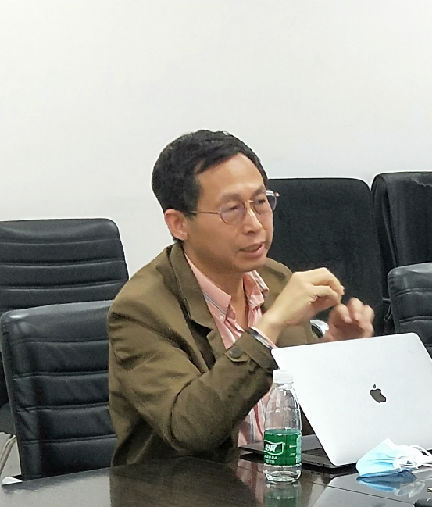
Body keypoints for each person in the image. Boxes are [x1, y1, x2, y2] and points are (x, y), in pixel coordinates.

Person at [108, 130, 374, 465]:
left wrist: (334, 354)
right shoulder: (141, 309)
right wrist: (269, 328)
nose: (254, 225)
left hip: (276, 482)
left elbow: (300, 421)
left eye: (261, 203)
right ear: (179, 224)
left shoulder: (275, 279)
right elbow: (189, 428)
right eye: (231, 209)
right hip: (186, 491)